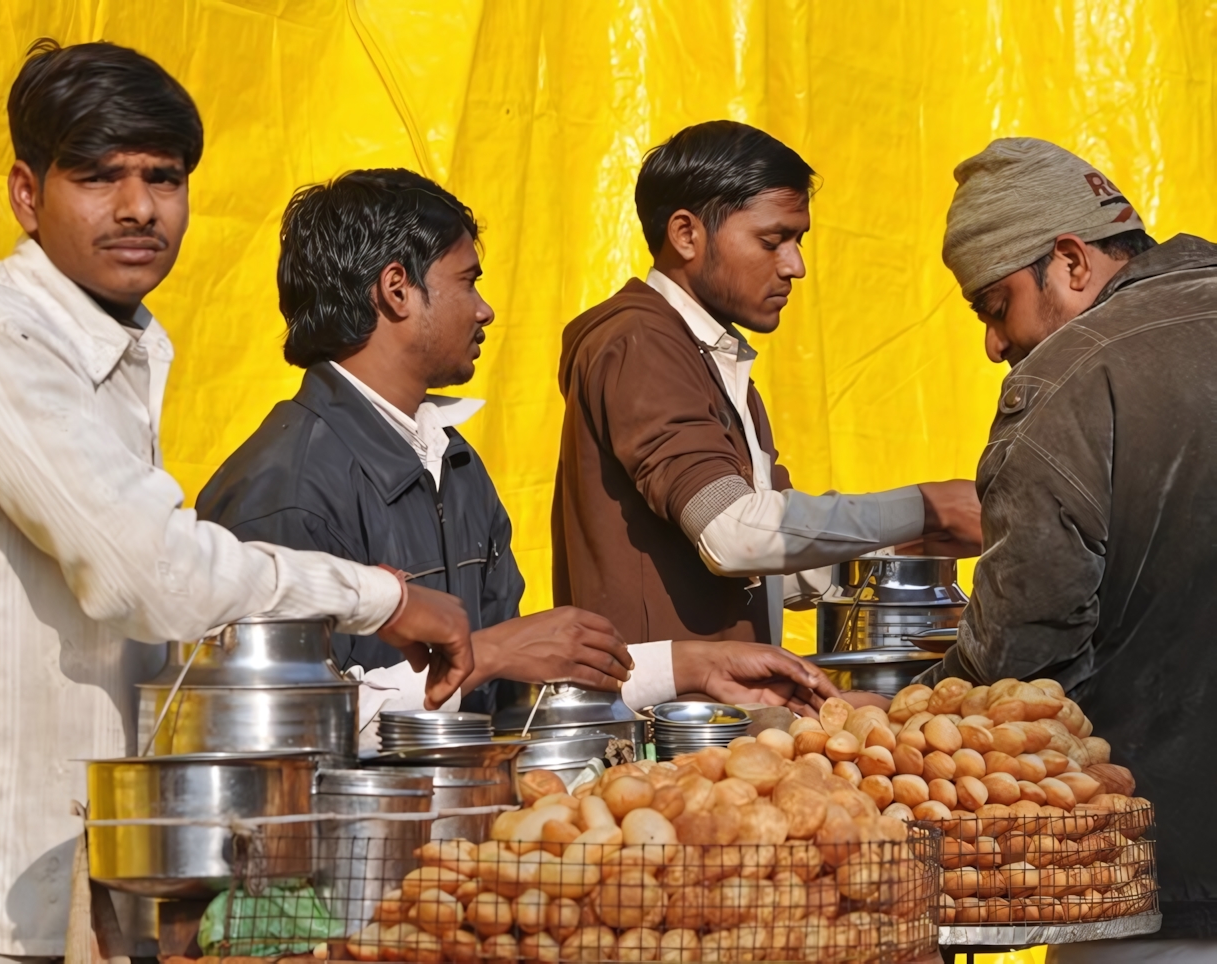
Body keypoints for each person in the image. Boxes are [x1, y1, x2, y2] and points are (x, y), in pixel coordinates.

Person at [0, 43, 472, 964]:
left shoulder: (120, 345)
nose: (137, 207)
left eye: (163, 177)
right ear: (25, 193)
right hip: (16, 882)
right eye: (97, 177)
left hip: (116, 862)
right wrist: (380, 597)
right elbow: (150, 575)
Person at [196, 168, 840, 747]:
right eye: (468, 280)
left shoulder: (455, 462)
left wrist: (693, 666)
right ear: (397, 289)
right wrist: (487, 653)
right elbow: (270, 732)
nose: (485, 309)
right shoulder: (281, 489)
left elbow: (510, 691)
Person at [921, 137, 1217, 961]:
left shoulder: (1071, 380)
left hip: (1159, 888)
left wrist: (909, 710)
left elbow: (1022, 652)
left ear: (1071, 261)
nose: (992, 343)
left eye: (993, 305)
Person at [554, 120, 983, 650]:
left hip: (730, 716)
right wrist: (923, 506)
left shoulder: (712, 356)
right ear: (686, 234)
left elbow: (768, 561)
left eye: (798, 240)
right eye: (772, 240)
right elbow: (734, 534)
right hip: (659, 722)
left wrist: (912, 546)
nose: (796, 266)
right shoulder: (640, 340)